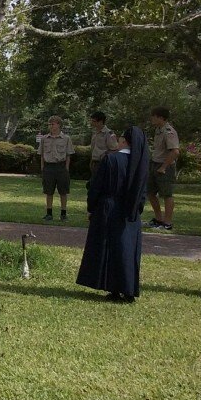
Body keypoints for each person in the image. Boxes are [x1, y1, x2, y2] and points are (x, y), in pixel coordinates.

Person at [77, 126, 148, 302]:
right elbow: (142, 193)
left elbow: (96, 186)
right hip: (130, 212)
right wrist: (137, 210)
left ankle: (113, 287)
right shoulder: (140, 164)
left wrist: (91, 207)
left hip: (109, 207)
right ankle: (128, 289)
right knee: (127, 250)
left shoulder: (111, 159)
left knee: (109, 248)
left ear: (124, 141)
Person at [148, 106, 180, 230]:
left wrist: (164, 167)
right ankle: (158, 219)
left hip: (165, 166)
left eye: (154, 116)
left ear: (161, 117)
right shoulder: (158, 130)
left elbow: (175, 152)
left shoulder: (169, 131)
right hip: (154, 164)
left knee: (167, 194)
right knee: (150, 192)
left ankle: (167, 223)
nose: (152, 118)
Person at [39, 115, 74, 220]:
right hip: (48, 167)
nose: (50, 126)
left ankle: (63, 213)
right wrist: (43, 167)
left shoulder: (66, 138)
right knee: (48, 191)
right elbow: (41, 154)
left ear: (58, 125)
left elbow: (68, 154)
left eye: (52, 124)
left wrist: (66, 168)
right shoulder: (45, 138)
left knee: (63, 191)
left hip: (61, 166)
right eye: (49, 124)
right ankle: (49, 213)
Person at [88, 111, 118, 177]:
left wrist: (105, 154)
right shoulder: (94, 132)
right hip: (94, 162)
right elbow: (93, 149)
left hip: (104, 163)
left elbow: (115, 149)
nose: (92, 123)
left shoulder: (109, 133)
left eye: (94, 121)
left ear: (101, 121)